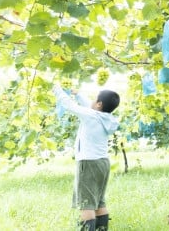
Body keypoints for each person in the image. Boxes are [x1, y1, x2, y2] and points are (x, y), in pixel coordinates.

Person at [53, 85, 120, 231]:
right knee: (99, 202)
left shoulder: (91, 116)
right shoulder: (107, 118)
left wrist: (57, 90)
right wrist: (78, 94)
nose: (93, 100)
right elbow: (91, 108)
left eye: (95, 98)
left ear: (99, 104)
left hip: (89, 163)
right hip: (103, 163)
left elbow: (68, 105)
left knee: (86, 203)